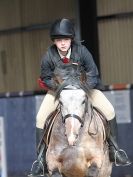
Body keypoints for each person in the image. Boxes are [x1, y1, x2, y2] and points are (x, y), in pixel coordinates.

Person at [28, 18, 131, 177]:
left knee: (109, 110)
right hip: (59, 92)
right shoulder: (49, 54)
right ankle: (40, 160)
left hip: (84, 90)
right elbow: (45, 77)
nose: (62, 43)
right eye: (59, 40)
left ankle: (114, 150)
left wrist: (82, 88)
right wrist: (60, 88)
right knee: (40, 118)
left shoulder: (82, 51)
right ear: (54, 41)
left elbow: (93, 74)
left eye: (65, 39)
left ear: (71, 39)